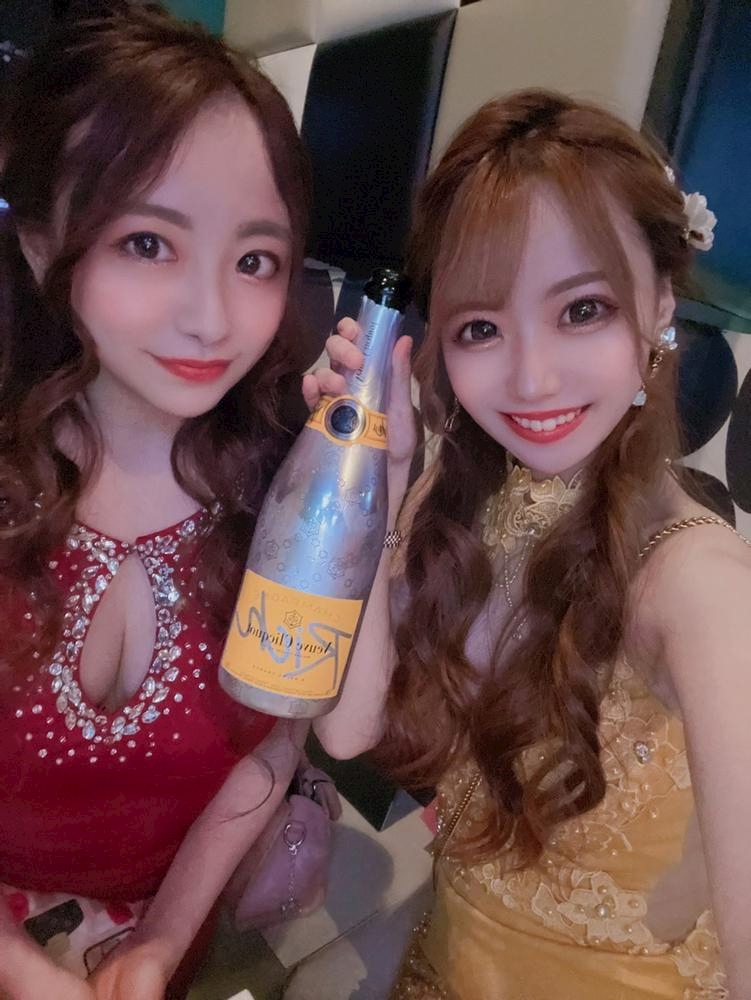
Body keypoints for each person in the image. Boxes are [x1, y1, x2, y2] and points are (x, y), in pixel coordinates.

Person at [306, 89, 749, 998]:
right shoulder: (468, 494)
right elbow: (344, 727)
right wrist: (369, 487)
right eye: (481, 327)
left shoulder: (699, 586)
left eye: (580, 310)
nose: (531, 377)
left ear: (660, 302)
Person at [0, 6, 311, 998]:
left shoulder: (286, 496)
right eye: (147, 243)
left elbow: (282, 742)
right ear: (43, 246)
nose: (212, 317)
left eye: (254, 260)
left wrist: (159, 944)